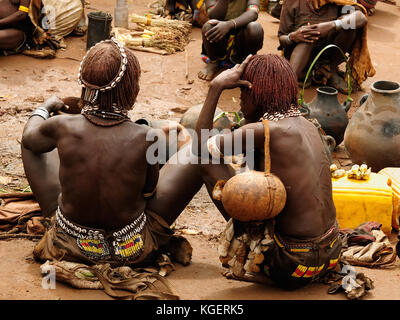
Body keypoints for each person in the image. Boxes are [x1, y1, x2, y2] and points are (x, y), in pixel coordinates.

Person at [21, 38, 203, 267]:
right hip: (131, 249)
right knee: (199, 153)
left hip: (68, 243)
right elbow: (148, 192)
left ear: (85, 85)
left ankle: (53, 214)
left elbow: (30, 139)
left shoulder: (64, 126)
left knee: (32, 137)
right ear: (131, 88)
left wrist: (44, 108)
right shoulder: (146, 136)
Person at [194, 54, 342, 289]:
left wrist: (216, 87)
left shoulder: (265, 130)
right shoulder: (308, 124)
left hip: (291, 264)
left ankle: (256, 261)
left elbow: (200, 146)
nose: (240, 101)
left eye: (243, 94)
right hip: (331, 253)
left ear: (256, 94)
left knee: (203, 159)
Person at [278, 0, 375, 93]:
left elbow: (360, 18)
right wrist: (292, 37)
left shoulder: (341, 2)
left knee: (349, 25)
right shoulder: (293, 2)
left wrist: (332, 25)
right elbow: (282, 37)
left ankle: (330, 70)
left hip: (328, 53)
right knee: (310, 34)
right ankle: (291, 81)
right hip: (300, 52)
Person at [198, 0, 264, 81]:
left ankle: (241, 59)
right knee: (209, 26)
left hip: (242, 35)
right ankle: (214, 61)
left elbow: (253, 13)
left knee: (255, 28)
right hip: (220, 36)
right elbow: (213, 15)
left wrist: (230, 24)